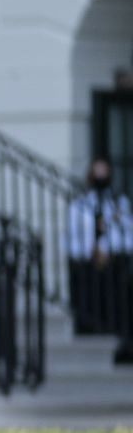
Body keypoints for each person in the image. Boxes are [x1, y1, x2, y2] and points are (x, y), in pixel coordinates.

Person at [64, 155, 133, 363]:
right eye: (98, 170)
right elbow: (72, 237)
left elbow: (128, 233)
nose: (101, 175)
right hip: (88, 263)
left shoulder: (119, 203)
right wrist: (92, 250)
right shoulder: (79, 204)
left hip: (115, 262)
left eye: (105, 170)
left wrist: (109, 250)